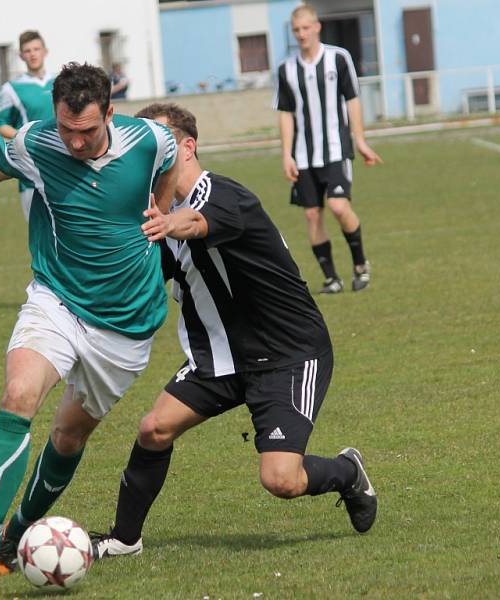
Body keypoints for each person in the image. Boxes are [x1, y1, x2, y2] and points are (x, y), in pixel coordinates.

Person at [0, 62, 178, 587]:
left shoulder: (150, 140)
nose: (74, 143)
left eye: (87, 132)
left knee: (68, 438)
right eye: (66, 129)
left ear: (110, 116)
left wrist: (161, 211)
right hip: (56, 300)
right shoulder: (39, 141)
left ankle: (18, 536)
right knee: (18, 395)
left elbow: (170, 163)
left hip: (126, 324)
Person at [88, 103, 377, 560]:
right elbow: (136, 280)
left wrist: (165, 224)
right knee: (154, 429)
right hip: (220, 359)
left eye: (159, 144)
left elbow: (196, 223)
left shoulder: (222, 196)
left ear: (187, 146)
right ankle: (125, 539)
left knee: (280, 480)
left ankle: (347, 471)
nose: (148, 156)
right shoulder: (158, 216)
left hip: (288, 353)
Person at [275, 3, 382, 294]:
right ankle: (331, 279)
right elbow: (285, 112)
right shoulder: (286, 69)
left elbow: (353, 100)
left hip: (336, 150)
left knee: (337, 205)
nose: (301, 34)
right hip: (303, 154)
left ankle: (360, 264)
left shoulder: (338, 58)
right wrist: (286, 154)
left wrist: (359, 140)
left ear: (317, 26)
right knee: (312, 214)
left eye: (306, 28)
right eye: (296, 30)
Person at [0, 30, 55, 220]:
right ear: (21, 55)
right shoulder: (12, 89)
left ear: (45, 51)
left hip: (63, 161)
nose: (32, 54)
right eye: (27, 50)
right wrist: (25, 137)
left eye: (36, 49)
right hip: (31, 167)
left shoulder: (61, 81)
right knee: (40, 234)